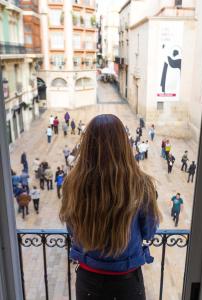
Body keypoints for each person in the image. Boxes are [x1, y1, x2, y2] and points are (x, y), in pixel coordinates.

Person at [60, 114, 161, 300]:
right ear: (123, 143)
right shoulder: (141, 184)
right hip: (127, 278)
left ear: (88, 143)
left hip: (88, 277)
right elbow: (148, 232)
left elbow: (71, 228)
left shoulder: (72, 183)